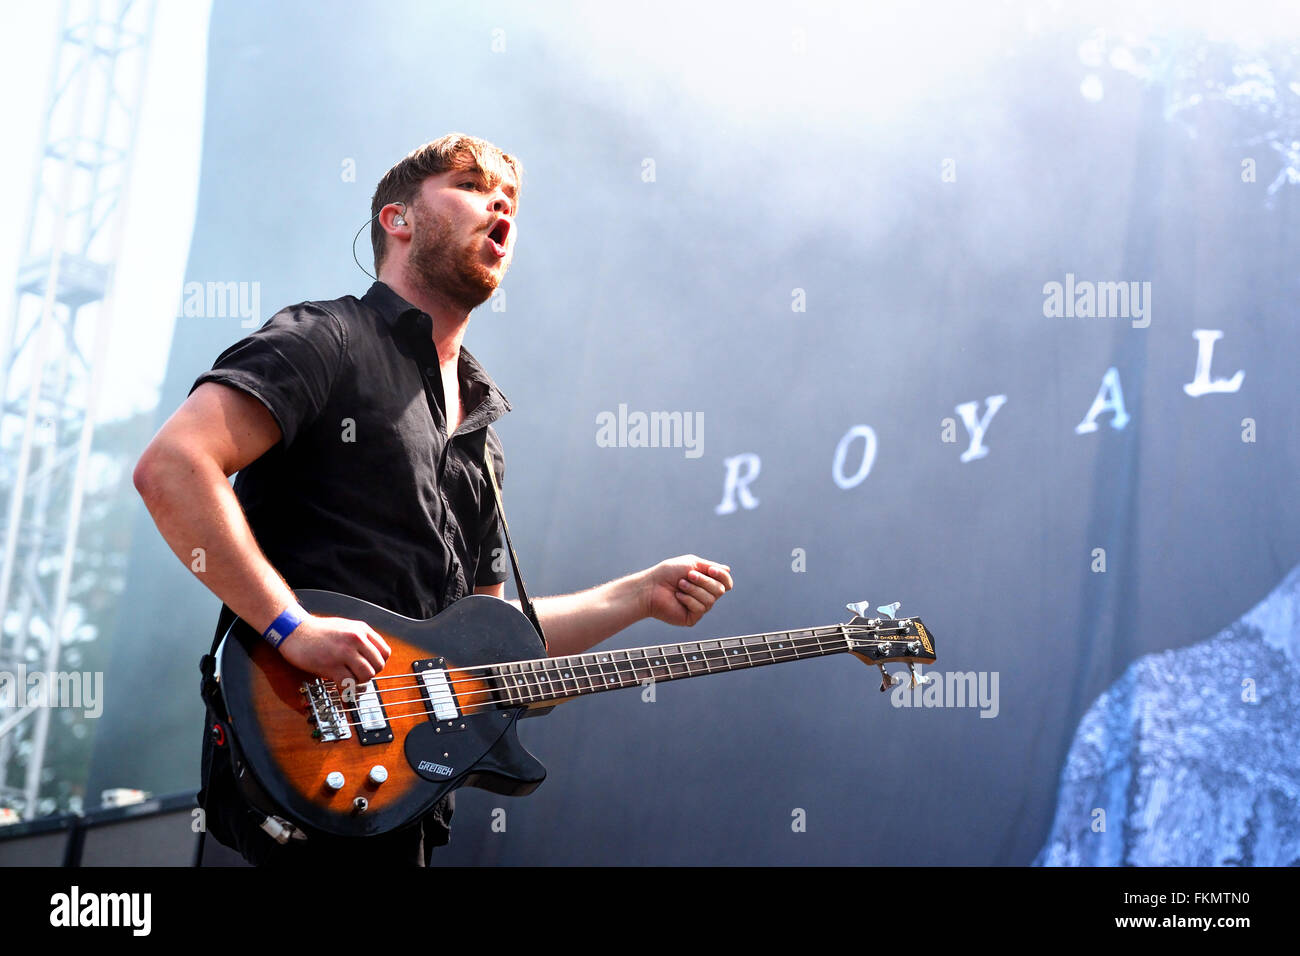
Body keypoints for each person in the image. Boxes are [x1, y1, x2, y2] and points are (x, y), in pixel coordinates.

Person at [132, 133, 733, 866]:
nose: (501, 203)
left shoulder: (482, 436)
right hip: (297, 753)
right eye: (475, 186)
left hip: (401, 801)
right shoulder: (328, 338)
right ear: (399, 219)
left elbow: (484, 642)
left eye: (511, 198)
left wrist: (638, 597)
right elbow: (173, 465)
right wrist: (291, 628)